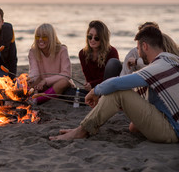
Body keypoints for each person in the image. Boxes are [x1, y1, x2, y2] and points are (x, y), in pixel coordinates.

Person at [49, 26, 179, 143]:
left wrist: (95, 91)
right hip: (169, 123)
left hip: (173, 131)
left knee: (119, 92)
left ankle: (81, 131)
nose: (138, 53)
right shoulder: (172, 61)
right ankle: (82, 128)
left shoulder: (157, 67)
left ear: (145, 46)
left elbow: (117, 83)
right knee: (133, 127)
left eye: (138, 49)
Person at [28, 23, 72, 104]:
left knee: (65, 81)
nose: (40, 39)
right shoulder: (33, 51)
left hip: (59, 85)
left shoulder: (62, 50)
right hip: (43, 86)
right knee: (27, 82)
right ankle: (23, 98)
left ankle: (38, 100)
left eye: (44, 37)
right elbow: (34, 72)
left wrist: (46, 80)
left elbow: (66, 74)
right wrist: (29, 79)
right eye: (38, 36)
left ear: (51, 37)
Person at [79, 20, 121, 91]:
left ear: (103, 38)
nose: (92, 40)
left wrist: (92, 84)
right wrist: (89, 85)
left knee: (114, 62)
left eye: (96, 38)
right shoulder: (83, 53)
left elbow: (110, 78)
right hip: (93, 90)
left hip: (108, 88)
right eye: (90, 36)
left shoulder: (112, 52)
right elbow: (88, 78)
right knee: (68, 91)